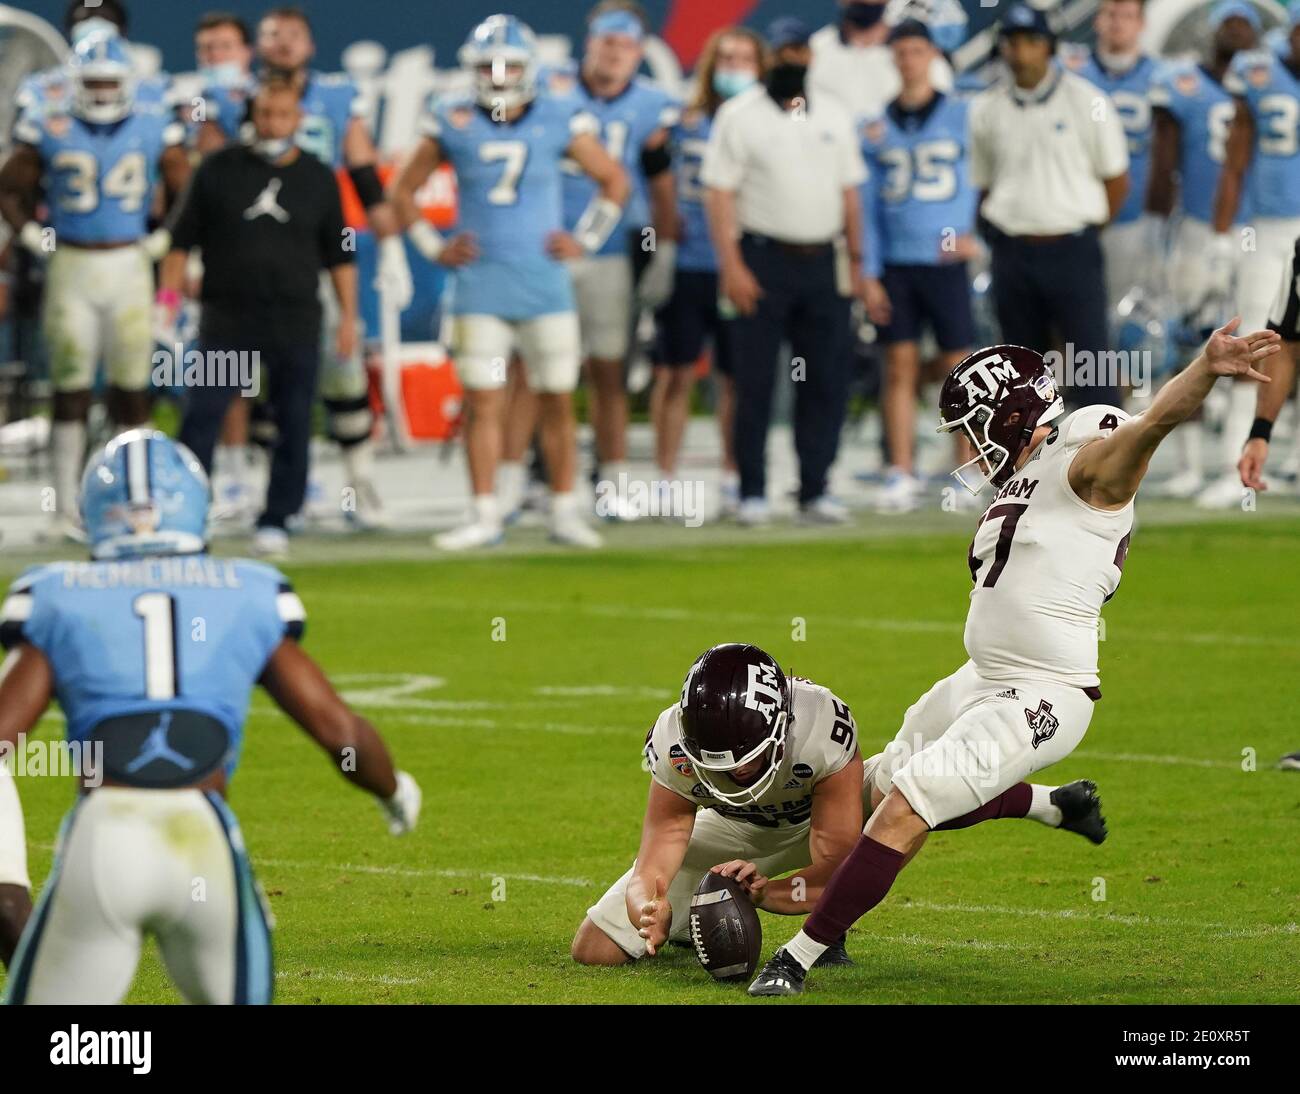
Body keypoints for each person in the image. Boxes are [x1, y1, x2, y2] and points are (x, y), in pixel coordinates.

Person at [747, 322, 1280, 996]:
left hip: (1043, 692)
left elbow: (1152, 426)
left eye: (971, 430)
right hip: (980, 678)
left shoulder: (1086, 461)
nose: (965, 450)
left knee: (908, 804)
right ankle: (1053, 807)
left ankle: (799, 957)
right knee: (869, 789)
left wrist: (1205, 366)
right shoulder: (1028, 472)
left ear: (1010, 416)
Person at [0, 429, 421, 1004]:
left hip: (105, 839)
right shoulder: (245, 590)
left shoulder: (58, 593)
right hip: (203, 842)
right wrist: (393, 791)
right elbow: (339, 732)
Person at [385, 14, 629, 550]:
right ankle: (484, 511)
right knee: (483, 401)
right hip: (481, 285)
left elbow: (615, 178)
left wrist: (585, 238)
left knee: (558, 398)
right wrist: (433, 246)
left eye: (508, 65)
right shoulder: (451, 118)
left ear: (527, 69)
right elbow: (403, 190)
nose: (497, 75)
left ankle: (564, 509)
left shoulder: (560, 116)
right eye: (489, 66)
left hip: (544, 284)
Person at [196, 5, 403, 530]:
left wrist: (396, 243)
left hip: (313, 254)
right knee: (249, 380)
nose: (283, 44)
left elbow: (364, 172)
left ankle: (360, 481)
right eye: (272, 35)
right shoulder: (228, 98)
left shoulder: (334, 96)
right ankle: (266, 487)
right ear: (255, 47)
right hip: (247, 264)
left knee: (338, 368)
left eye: (293, 35)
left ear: (310, 44)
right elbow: (210, 184)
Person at [0, 30, 189, 543]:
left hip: (128, 264)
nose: (103, 93)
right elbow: (9, 185)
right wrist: (31, 235)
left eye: (110, 83)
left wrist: (167, 236)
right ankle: (64, 509)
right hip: (73, 265)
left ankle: (136, 503)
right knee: (70, 388)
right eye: (93, 83)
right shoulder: (51, 118)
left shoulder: (153, 118)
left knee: (132, 389)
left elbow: (186, 183)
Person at [159, 74, 357, 559]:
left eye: (283, 115)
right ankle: (188, 514)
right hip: (228, 320)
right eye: (265, 114)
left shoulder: (318, 176)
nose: (272, 124)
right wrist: (164, 310)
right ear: (252, 114)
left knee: (293, 421)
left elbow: (341, 253)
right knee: (202, 418)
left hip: (295, 319)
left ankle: (278, 517)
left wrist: (349, 316)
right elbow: (179, 242)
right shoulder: (217, 170)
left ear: (299, 118)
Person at [571, 644, 864, 966]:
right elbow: (655, 858)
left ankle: (829, 935)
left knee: (898, 786)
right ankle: (692, 920)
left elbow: (839, 867)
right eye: (719, 766)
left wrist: (768, 894)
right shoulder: (673, 744)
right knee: (595, 949)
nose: (736, 770)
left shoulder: (818, 725)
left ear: (781, 725)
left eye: (748, 756)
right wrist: (647, 908)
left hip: (818, 821)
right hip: (735, 827)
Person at [702, 50, 868, 525]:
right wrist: (731, 265)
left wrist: (857, 261)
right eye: (783, 55)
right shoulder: (739, 115)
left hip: (823, 258)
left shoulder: (833, 111)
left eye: (798, 54)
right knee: (753, 379)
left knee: (826, 380)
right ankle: (751, 489)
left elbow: (850, 193)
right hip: (762, 257)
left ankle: (814, 487)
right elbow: (719, 192)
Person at [542, 1, 681, 517]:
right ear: (589, 41)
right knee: (541, 369)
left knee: (608, 369)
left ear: (640, 51)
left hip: (614, 249)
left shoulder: (651, 106)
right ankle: (541, 474)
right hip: (545, 248)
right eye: (607, 41)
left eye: (625, 44)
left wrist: (663, 249)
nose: (614, 53)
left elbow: (661, 183)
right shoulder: (549, 86)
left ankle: (614, 480)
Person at [970, 3, 1129, 408]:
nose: (1021, 52)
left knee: (1090, 362)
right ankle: (1029, 467)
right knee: (1020, 371)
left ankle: (1107, 460)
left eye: (1031, 42)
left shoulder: (1087, 102)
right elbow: (983, 185)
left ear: (1050, 46)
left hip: (1072, 247)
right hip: (1013, 251)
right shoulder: (986, 109)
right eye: (1012, 42)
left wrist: (1078, 227)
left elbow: (1116, 180)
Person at [859, 20, 977, 512]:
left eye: (916, 50)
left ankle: (967, 469)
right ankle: (900, 470)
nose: (909, 59)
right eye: (901, 51)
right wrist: (867, 271)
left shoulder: (964, 114)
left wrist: (979, 233)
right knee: (899, 366)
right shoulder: (874, 125)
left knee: (961, 368)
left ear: (932, 54)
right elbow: (864, 205)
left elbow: (989, 173)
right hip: (896, 263)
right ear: (892, 57)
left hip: (945, 259)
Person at [650, 27, 765, 516]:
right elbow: (652, 166)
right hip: (692, 261)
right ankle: (664, 476)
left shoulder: (769, 121)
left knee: (737, 378)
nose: (734, 66)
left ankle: (733, 473)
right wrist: (663, 224)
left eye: (744, 58)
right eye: (726, 57)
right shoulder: (684, 120)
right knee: (675, 371)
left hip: (742, 263)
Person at [1146, 3, 1259, 498]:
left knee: (1264, 335)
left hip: (1258, 226)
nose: (1236, 31)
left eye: (1245, 24)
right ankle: (1189, 462)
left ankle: (1266, 455)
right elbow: (1164, 160)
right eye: (1228, 22)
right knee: (1188, 338)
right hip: (1196, 226)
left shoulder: (1269, 81)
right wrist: (1158, 230)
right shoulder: (1183, 84)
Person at [1202, 1, 1300, 508]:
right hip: (1270, 228)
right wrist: (1224, 233)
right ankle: (1231, 464)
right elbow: (1237, 159)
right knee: (1255, 342)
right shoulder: (1257, 72)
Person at [1061, 0, 1161, 318]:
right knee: (1071, 308)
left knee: (1121, 310)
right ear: (1096, 21)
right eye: (1111, 14)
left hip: (1133, 214)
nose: (1118, 23)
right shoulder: (1068, 71)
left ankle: (1109, 369)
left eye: (1127, 16)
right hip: (1074, 210)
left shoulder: (1161, 76)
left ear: (1142, 23)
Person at [809, 0, 953, 119]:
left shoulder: (920, 54)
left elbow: (943, 117)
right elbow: (798, 113)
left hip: (896, 151)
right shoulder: (815, 50)